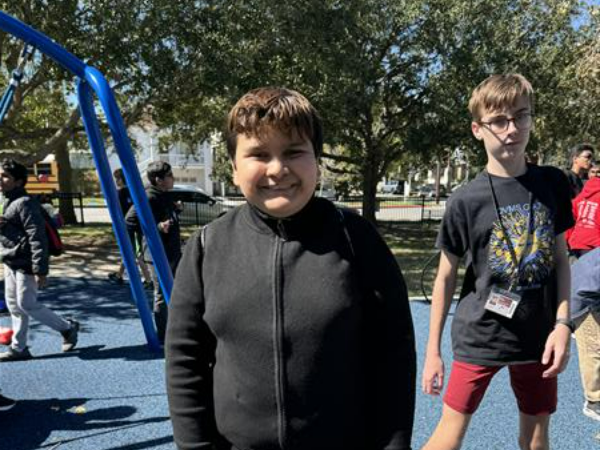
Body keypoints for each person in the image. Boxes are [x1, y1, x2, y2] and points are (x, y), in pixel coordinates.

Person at [165, 87, 417, 450]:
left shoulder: (357, 241)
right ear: (234, 167)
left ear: (317, 161)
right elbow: (184, 358)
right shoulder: (208, 246)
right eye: (258, 154)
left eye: (294, 152)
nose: (277, 169)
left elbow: (393, 355)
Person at [421, 74, 573, 450]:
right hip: (481, 335)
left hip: (539, 338)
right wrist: (433, 352)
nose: (512, 129)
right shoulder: (465, 201)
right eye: (499, 121)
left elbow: (561, 259)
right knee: (447, 438)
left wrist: (563, 324)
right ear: (478, 129)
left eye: (521, 116)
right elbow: (444, 278)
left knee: (535, 441)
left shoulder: (552, 184)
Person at [0, 159, 79, 362]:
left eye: (5, 176)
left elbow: (37, 237)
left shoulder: (25, 203)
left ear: (18, 181)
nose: (0, 180)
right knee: (14, 306)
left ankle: (67, 327)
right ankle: (19, 348)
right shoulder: (7, 200)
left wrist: (40, 269)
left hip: (26, 262)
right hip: (11, 259)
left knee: (26, 304)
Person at [125, 161, 181, 344]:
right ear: (159, 180)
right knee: (162, 294)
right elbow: (129, 221)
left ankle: (176, 329)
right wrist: (157, 227)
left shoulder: (163, 195)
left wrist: (175, 210)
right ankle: (164, 335)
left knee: (176, 291)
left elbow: (160, 216)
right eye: (170, 176)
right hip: (157, 254)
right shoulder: (148, 197)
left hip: (171, 251)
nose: (173, 178)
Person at [570, 247, 600, 421]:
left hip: (591, 290)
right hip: (583, 300)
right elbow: (587, 291)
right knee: (593, 348)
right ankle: (594, 401)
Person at [108, 168, 151, 288]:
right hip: (135, 225)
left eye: (117, 179)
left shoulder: (121, 193)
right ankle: (119, 275)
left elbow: (120, 211)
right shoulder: (133, 191)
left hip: (130, 226)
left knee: (136, 253)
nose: (116, 181)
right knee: (130, 251)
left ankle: (149, 279)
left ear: (122, 179)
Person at [567, 163, 600, 258]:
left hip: (576, 242)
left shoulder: (579, 197)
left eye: (598, 172)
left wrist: (568, 240)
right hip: (594, 243)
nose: (595, 174)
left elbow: (568, 219)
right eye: (593, 172)